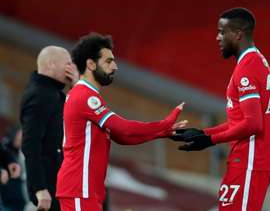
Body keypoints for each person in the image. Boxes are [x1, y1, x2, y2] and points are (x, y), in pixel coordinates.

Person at [56, 33, 187, 211]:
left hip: (86, 189)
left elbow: (121, 137)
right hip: (80, 188)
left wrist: (163, 133)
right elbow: (124, 128)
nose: (115, 66)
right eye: (109, 61)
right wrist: (165, 123)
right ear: (90, 64)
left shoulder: (88, 96)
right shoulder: (84, 96)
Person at [173, 8, 270, 211]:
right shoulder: (254, 61)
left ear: (238, 33)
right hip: (251, 157)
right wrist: (204, 133)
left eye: (222, 32)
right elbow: (241, 121)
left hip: (251, 158)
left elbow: (253, 124)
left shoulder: (248, 67)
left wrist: (211, 140)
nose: (217, 37)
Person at [20, 46, 79, 211]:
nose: (71, 69)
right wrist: (39, 188)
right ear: (52, 64)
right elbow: (31, 144)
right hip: (48, 189)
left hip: (62, 185)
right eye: (67, 64)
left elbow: (77, 116)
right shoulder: (39, 94)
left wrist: (76, 86)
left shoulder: (53, 93)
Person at [0, 125, 27, 211]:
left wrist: (11, 161)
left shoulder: (19, 152)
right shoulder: (7, 147)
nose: (20, 138)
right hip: (7, 198)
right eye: (19, 136)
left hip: (19, 198)